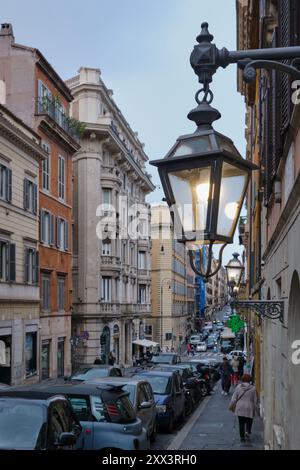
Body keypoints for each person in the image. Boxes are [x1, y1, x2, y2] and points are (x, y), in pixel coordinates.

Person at [229, 374, 258, 443]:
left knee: (241, 423)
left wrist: (231, 405)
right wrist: (257, 409)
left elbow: (234, 398)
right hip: (249, 407)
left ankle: (242, 438)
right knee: (249, 420)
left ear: (242, 379)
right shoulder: (253, 388)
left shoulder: (238, 387)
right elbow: (255, 400)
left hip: (240, 407)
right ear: (249, 380)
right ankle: (248, 431)